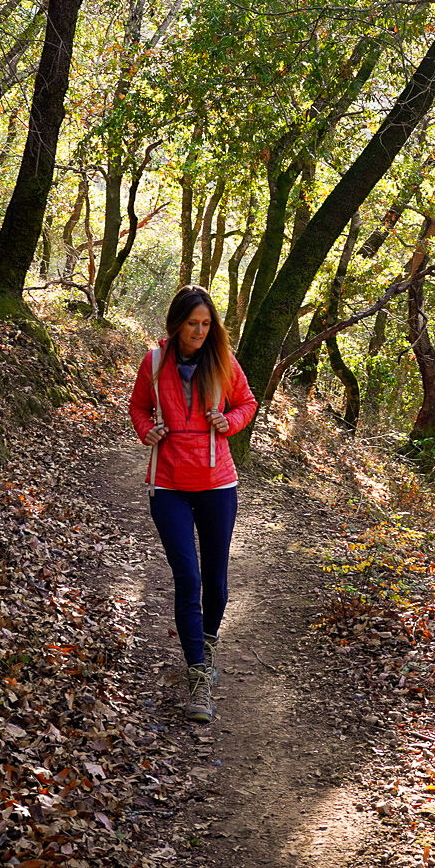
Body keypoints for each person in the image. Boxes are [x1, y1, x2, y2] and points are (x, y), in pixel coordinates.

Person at [127, 285, 257, 722]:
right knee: (187, 576)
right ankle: (197, 671)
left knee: (215, 577)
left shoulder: (223, 361)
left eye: (206, 324)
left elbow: (246, 403)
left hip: (218, 485)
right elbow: (140, 407)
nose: (199, 332)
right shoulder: (155, 361)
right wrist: (147, 431)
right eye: (192, 324)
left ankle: (209, 640)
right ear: (177, 323)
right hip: (168, 486)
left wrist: (230, 421)